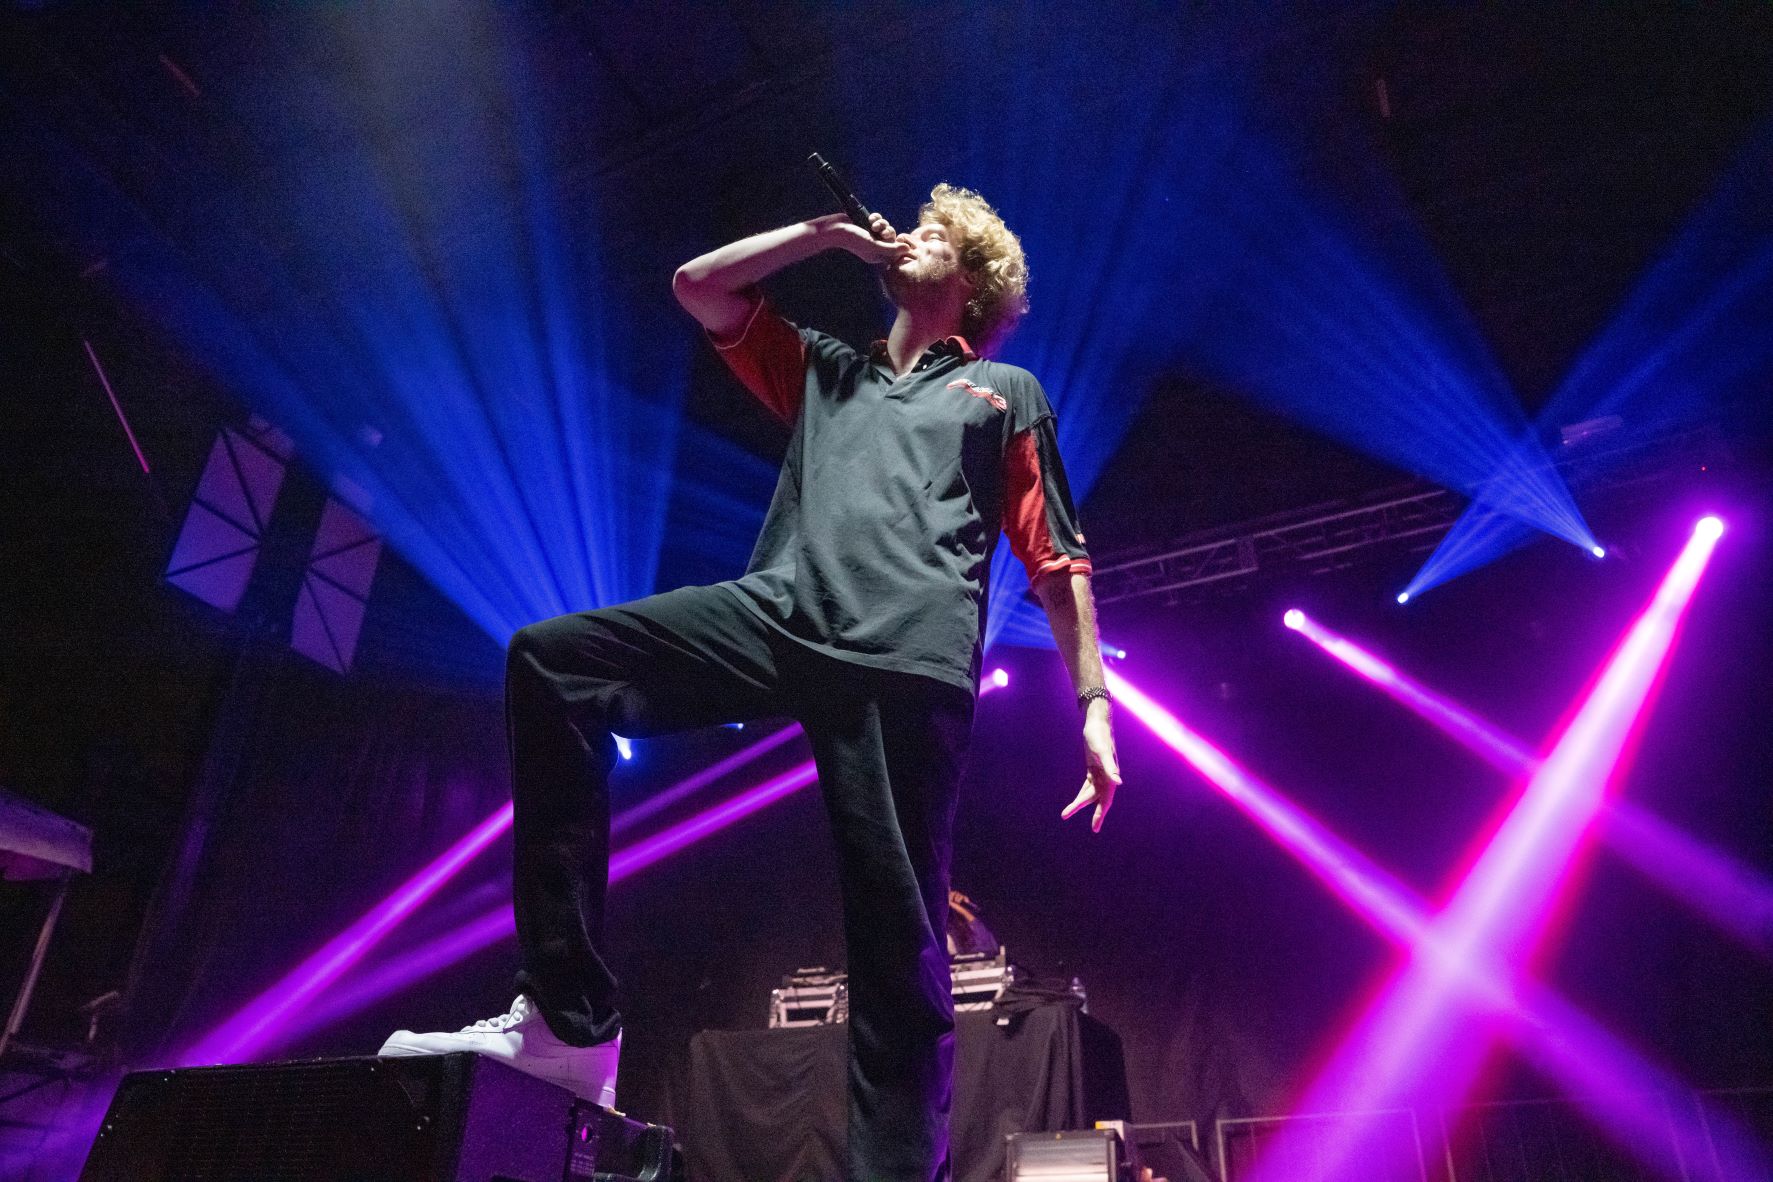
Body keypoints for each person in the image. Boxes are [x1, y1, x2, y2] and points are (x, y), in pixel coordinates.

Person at [379, 183, 1122, 1182]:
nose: (914, 234)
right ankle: (571, 1025)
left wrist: (1093, 708)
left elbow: (1057, 559)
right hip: (779, 615)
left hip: (905, 664)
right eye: (916, 223)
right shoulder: (831, 374)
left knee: (898, 955)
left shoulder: (1003, 393)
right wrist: (822, 235)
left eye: (939, 235)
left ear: (976, 289)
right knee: (552, 663)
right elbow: (698, 286)